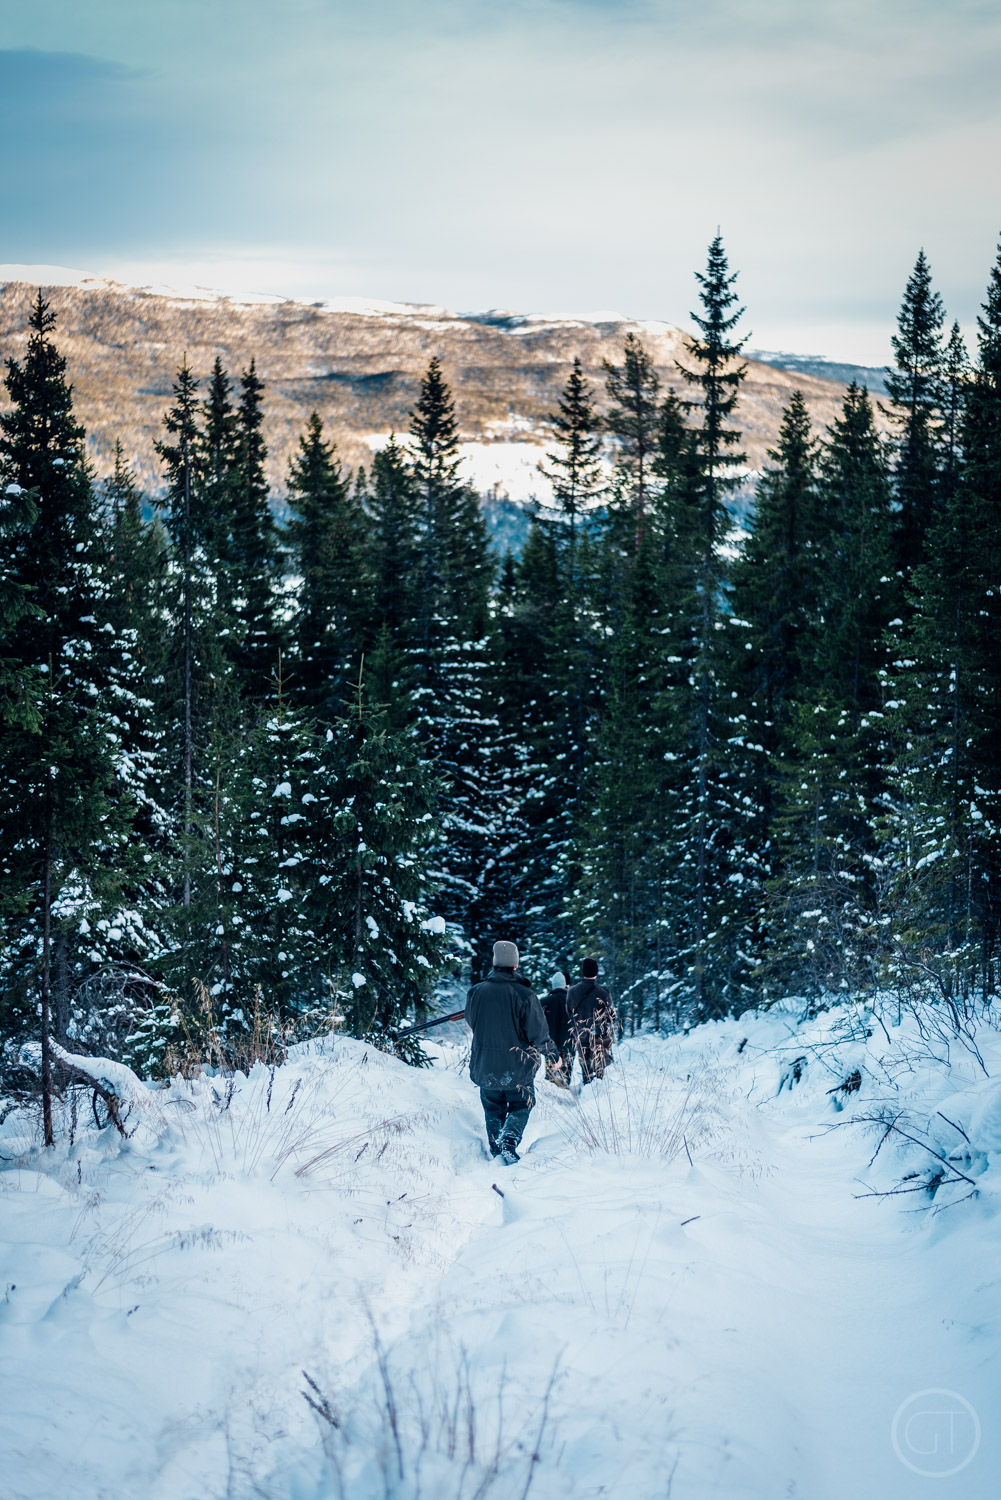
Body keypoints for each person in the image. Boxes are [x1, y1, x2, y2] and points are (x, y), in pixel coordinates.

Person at [465, 940, 559, 1165]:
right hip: (518, 1068)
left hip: (485, 1065)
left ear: (495, 962)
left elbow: (472, 1021)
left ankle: (496, 1146)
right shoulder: (525, 995)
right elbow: (538, 1033)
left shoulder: (476, 992)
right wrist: (553, 1054)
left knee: (492, 1107)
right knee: (521, 1104)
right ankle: (508, 1141)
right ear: (516, 965)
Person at [567, 957, 617, 1084]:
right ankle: (597, 1095)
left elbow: (568, 1012)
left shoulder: (572, 991)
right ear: (596, 972)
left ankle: (586, 1089)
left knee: (586, 1068)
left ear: (582, 971)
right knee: (599, 1068)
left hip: (580, 1034)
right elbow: (612, 1017)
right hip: (599, 1036)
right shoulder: (604, 992)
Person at [541, 970, 573, 1086]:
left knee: (552, 1079)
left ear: (553, 985)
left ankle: (552, 1101)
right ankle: (565, 1097)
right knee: (565, 1078)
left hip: (550, 1046)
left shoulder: (545, 1002)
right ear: (564, 984)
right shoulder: (572, 1002)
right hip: (569, 1046)